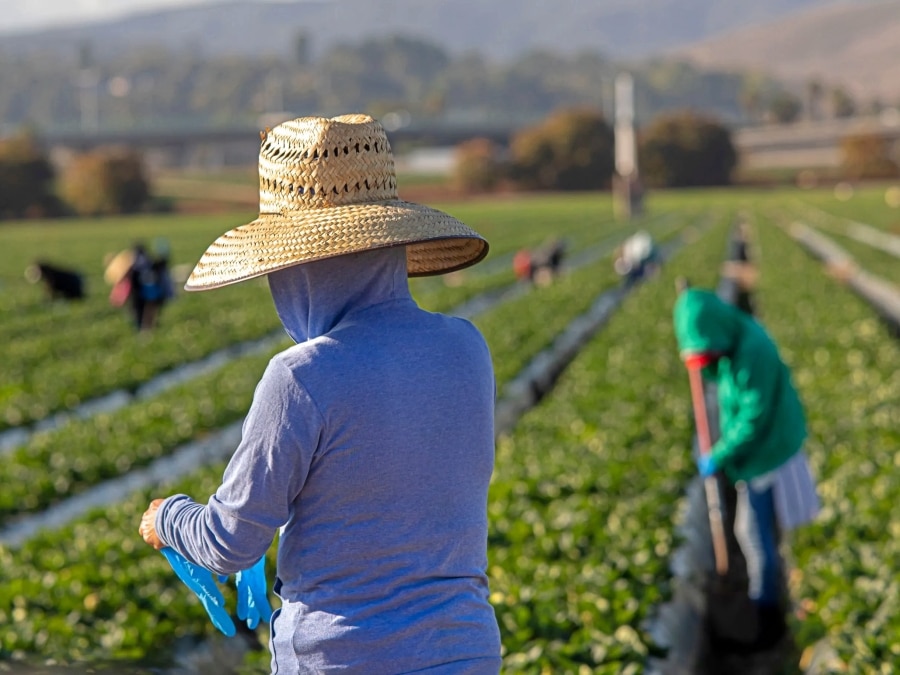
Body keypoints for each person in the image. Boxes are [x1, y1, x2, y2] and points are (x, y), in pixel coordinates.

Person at [138, 114, 502, 673]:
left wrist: (167, 519)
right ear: (390, 245)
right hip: (465, 652)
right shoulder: (466, 347)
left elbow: (229, 542)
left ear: (299, 268)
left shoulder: (302, 376)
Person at [673, 287, 819, 651]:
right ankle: (759, 603)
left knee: (755, 537)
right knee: (751, 532)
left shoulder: (753, 351)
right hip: (759, 451)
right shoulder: (733, 342)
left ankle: (765, 618)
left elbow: (753, 417)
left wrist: (719, 455)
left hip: (768, 451)